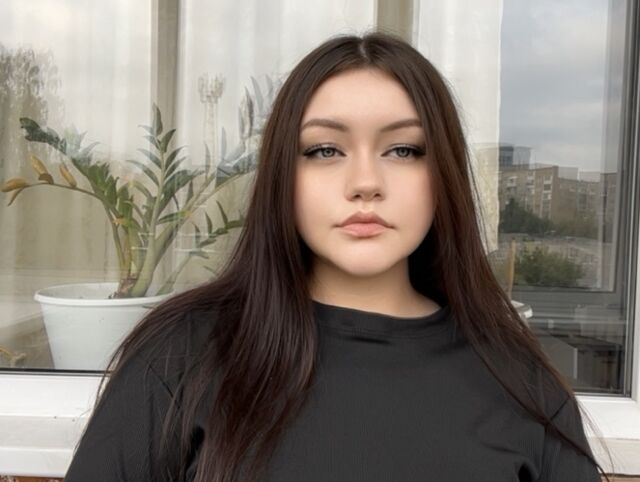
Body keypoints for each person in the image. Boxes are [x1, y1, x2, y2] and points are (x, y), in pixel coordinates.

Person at [64, 31, 608, 482]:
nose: (365, 182)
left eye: (403, 150)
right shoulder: (181, 354)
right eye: (325, 150)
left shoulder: (520, 381)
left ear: (442, 174)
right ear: (284, 173)